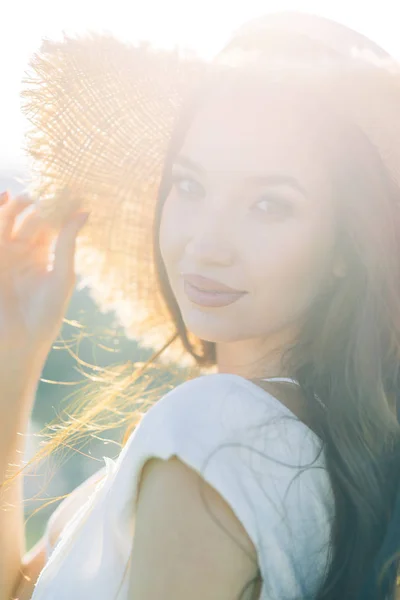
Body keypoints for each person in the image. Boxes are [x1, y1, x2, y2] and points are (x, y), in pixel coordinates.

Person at [2, 9, 400, 600]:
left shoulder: (214, 430)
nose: (205, 244)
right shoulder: (317, 447)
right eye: (190, 185)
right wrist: (16, 347)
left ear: (347, 239)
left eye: (269, 204)